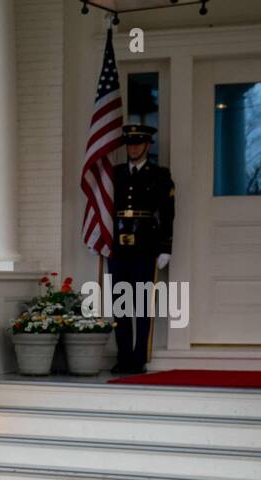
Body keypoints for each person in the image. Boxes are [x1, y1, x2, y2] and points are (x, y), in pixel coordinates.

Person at [108, 123, 174, 374]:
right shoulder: (116, 174)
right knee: (120, 304)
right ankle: (123, 355)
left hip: (145, 245)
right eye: (130, 144)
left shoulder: (159, 175)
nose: (133, 148)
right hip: (118, 245)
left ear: (147, 145)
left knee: (142, 304)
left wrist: (166, 247)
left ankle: (139, 358)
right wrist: (101, 239)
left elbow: (168, 214)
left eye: (138, 143)